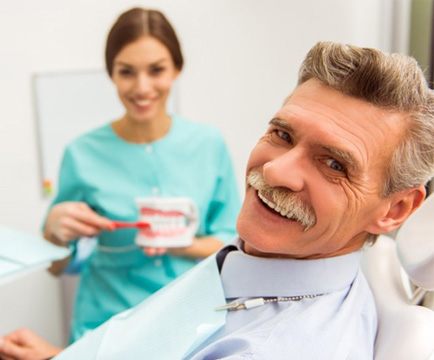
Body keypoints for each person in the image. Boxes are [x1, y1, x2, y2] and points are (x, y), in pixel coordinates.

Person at [1, 41, 434, 359]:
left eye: (334, 165)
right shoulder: (264, 258)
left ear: (394, 209)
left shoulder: (269, 345)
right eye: (282, 134)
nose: (275, 171)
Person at [41, 7, 240, 343]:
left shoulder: (208, 144)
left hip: (191, 324)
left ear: (177, 68)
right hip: (105, 328)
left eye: (156, 70)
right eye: (127, 72)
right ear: (111, 74)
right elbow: (57, 267)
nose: (142, 86)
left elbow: (234, 244)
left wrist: (181, 243)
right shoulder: (81, 153)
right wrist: (54, 234)